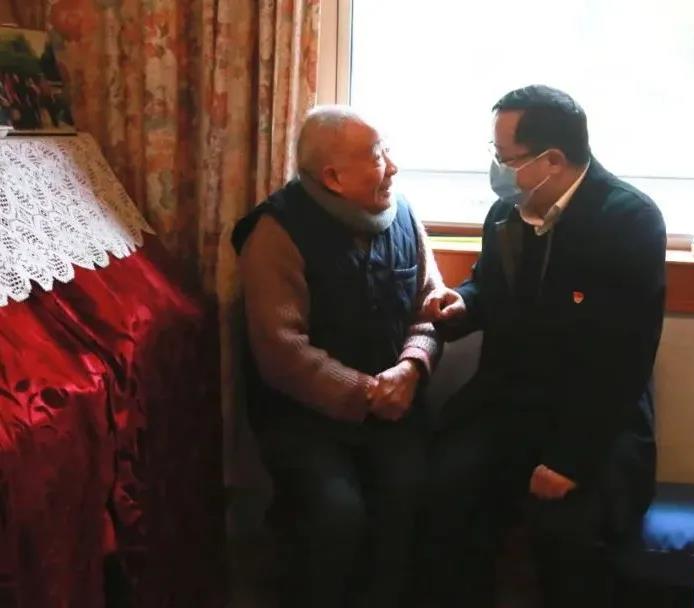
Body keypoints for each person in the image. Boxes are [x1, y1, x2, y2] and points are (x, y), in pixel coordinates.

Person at [420, 85, 667, 607]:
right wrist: (461, 304)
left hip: (593, 420)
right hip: (505, 405)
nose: (496, 169)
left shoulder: (629, 221)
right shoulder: (506, 213)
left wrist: (570, 459)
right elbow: (489, 287)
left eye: (505, 158)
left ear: (552, 160)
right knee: (443, 491)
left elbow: (624, 359)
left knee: (569, 533)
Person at [231, 106, 443, 608]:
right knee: (337, 514)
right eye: (377, 157)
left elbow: (430, 307)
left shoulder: (404, 216)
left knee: (412, 499)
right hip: (305, 420)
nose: (392, 167)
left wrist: (412, 367)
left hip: (395, 407)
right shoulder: (275, 232)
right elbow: (281, 349)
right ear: (332, 177)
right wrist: (367, 392)